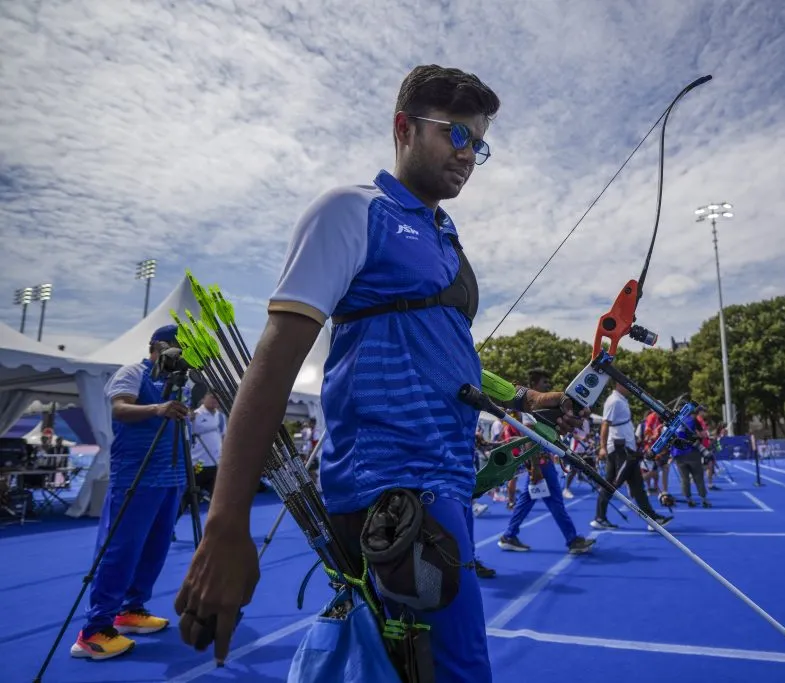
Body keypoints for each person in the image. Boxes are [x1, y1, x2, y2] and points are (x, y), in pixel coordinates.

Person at [173, 65, 584, 683]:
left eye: (480, 143)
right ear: (405, 128)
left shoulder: (444, 234)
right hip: (390, 491)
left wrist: (529, 397)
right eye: (457, 135)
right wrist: (228, 523)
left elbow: (455, 359)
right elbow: (274, 363)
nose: (469, 155)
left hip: (444, 483)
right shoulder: (350, 211)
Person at [70, 325, 189, 661]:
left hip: (171, 476)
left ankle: (131, 609)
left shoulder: (179, 381)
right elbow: (120, 409)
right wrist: (158, 409)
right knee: (120, 549)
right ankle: (94, 631)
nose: (185, 358)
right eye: (180, 350)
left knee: (155, 548)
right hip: (137, 475)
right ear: (161, 347)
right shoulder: (133, 372)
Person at [498, 368, 595, 554]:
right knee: (554, 501)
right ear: (534, 385)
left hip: (543, 460)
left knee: (530, 500)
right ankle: (572, 540)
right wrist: (535, 467)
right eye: (544, 383)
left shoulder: (540, 407)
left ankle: (509, 535)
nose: (547, 386)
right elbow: (529, 437)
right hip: (541, 461)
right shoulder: (529, 407)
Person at [591, 383, 672, 530]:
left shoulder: (621, 400)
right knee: (611, 484)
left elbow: (622, 425)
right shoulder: (613, 401)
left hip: (628, 450)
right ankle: (599, 518)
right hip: (619, 451)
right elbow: (605, 424)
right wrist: (603, 448)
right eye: (627, 385)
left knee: (637, 485)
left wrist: (635, 441)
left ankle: (652, 519)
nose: (630, 387)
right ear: (619, 385)